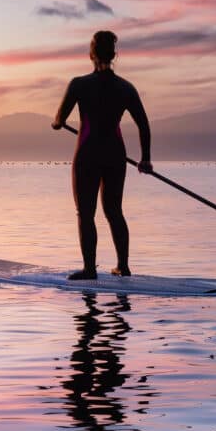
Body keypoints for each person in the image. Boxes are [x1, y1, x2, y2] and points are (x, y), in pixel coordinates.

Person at [51, 30, 152, 280]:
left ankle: (89, 269)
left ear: (91, 55)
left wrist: (57, 123)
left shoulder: (78, 85)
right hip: (115, 155)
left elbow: (59, 120)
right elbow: (143, 124)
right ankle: (123, 266)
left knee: (86, 213)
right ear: (115, 55)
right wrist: (146, 158)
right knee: (114, 211)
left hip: (87, 153)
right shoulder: (126, 88)